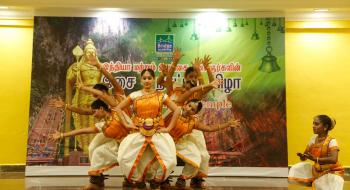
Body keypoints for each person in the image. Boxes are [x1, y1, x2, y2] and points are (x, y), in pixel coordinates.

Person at [114, 68, 181, 189]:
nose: (147, 81)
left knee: (171, 160)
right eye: (144, 78)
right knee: (123, 157)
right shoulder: (134, 95)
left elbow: (177, 110)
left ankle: (157, 180)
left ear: (154, 79)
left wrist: (169, 128)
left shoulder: (161, 96)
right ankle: (138, 179)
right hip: (138, 131)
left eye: (149, 78)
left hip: (158, 131)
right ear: (141, 80)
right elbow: (118, 108)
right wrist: (126, 124)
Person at [50, 99, 135, 190]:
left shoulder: (117, 110)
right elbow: (83, 130)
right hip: (119, 145)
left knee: (132, 162)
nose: (93, 115)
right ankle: (96, 181)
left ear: (101, 108)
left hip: (132, 143)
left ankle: (133, 181)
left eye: (94, 112)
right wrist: (62, 135)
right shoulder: (103, 125)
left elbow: (104, 95)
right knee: (95, 150)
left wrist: (85, 88)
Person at [161, 99, 240, 188]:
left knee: (196, 157)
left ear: (195, 113)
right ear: (185, 104)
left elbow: (209, 128)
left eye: (193, 109)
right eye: (189, 106)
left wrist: (228, 124)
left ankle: (182, 178)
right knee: (165, 160)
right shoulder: (176, 110)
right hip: (164, 140)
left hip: (179, 142)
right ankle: (160, 179)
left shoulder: (193, 122)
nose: (189, 109)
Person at [65, 39, 103, 156]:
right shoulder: (79, 66)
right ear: (84, 54)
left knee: (95, 121)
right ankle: (85, 145)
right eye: (88, 52)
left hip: (96, 95)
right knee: (84, 121)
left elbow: (102, 80)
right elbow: (70, 80)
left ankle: (93, 144)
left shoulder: (99, 66)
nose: (91, 54)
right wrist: (75, 73)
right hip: (83, 95)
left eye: (93, 52)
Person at [288, 115, 344, 189]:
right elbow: (305, 157)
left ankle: (317, 181)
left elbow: (334, 159)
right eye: (313, 123)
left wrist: (315, 159)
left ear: (325, 127)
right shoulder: (313, 140)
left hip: (332, 171)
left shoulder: (332, 141)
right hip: (318, 169)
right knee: (296, 168)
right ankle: (314, 181)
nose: (313, 126)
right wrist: (302, 156)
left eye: (316, 124)